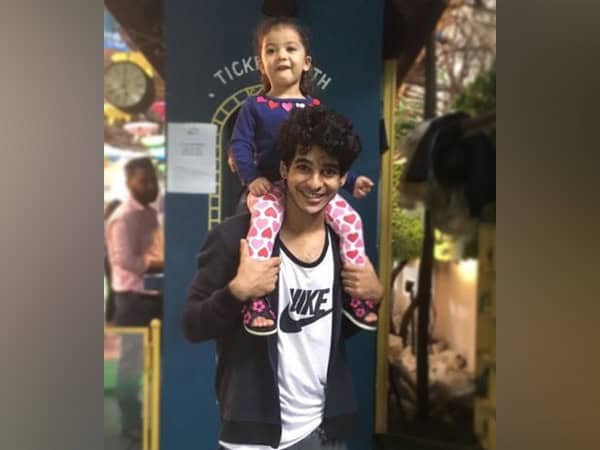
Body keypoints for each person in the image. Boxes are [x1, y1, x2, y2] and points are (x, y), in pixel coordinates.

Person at [182, 106, 384, 450]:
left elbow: (325, 331)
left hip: (325, 432)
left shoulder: (342, 246)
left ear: (341, 179)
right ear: (284, 169)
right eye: (304, 167)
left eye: (329, 171)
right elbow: (191, 324)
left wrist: (373, 296)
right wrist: (237, 292)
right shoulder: (234, 239)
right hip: (254, 439)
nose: (315, 183)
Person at [230, 17, 377, 336]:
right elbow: (239, 144)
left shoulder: (314, 107)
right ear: (261, 64)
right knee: (263, 226)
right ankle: (257, 300)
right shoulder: (254, 107)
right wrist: (251, 177)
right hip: (270, 187)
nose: (281, 56)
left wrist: (351, 181)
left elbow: (329, 152)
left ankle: (356, 295)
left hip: (307, 186)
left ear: (306, 62)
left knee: (351, 221)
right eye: (271, 50)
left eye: (290, 48)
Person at [105, 157, 164, 441]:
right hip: (131, 301)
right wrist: (159, 263)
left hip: (154, 297)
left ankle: (155, 419)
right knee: (131, 366)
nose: (151, 186)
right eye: (144, 181)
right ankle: (130, 425)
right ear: (130, 183)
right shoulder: (123, 217)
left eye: (153, 180)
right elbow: (123, 259)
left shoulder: (150, 213)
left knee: (159, 363)